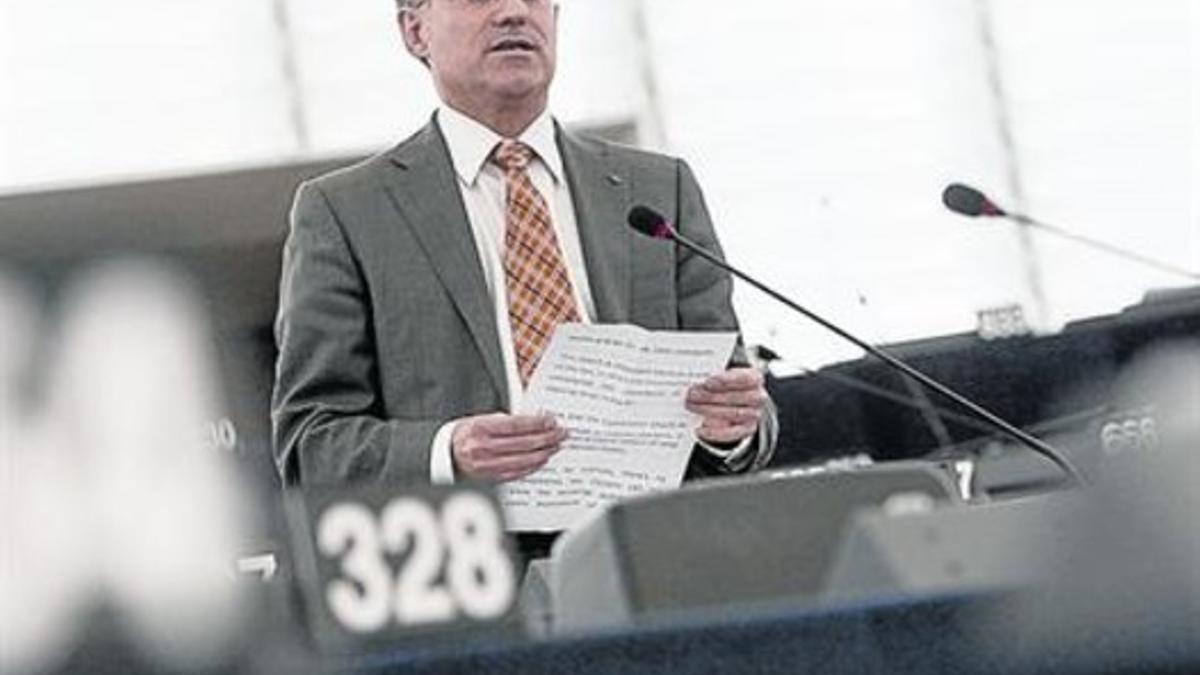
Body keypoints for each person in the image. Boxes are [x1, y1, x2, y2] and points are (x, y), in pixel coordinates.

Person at [271, 0, 777, 517]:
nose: (514, 11)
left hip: (655, 552)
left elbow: (738, 400)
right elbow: (311, 444)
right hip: (474, 564)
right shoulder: (345, 212)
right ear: (414, 30)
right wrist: (448, 452)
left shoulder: (659, 190)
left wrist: (730, 429)